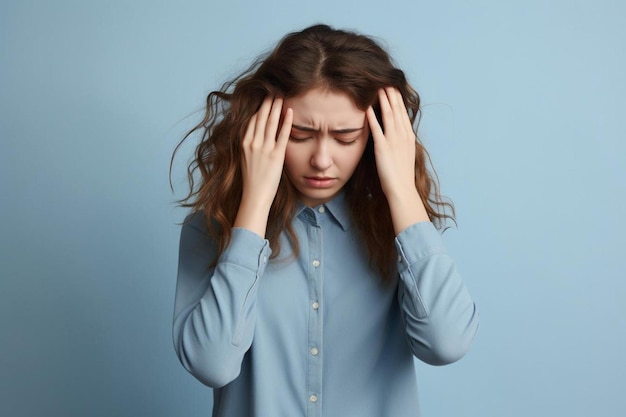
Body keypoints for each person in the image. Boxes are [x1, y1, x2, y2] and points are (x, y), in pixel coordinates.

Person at [172, 24, 479, 417]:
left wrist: (402, 189)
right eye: (299, 135)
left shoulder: (400, 230)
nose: (321, 160)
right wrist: (253, 208)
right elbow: (211, 363)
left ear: (378, 136)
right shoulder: (213, 226)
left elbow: (446, 344)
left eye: (346, 137)